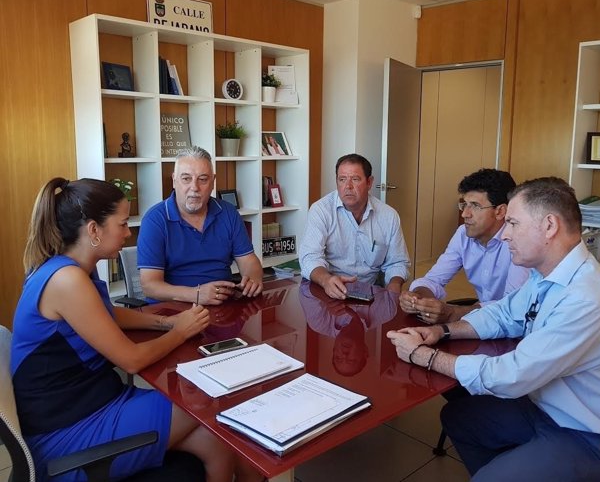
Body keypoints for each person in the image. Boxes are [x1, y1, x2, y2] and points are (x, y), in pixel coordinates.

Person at [387, 177, 600, 481]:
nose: (504, 235)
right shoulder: (546, 274)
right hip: (552, 407)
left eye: (513, 224)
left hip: (599, 438)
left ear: (549, 226)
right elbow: (505, 314)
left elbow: (512, 375)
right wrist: (444, 332)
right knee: (460, 418)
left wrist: (425, 356)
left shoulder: (586, 298)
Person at [11, 177, 263, 482]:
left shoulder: (69, 269)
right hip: (69, 432)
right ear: (93, 230)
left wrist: (167, 322)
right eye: (122, 224)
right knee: (214, 400)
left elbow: (108, 315)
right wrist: (179, 332)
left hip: (93, 403)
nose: (128, 233)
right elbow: (130, 360)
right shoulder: (68, 281)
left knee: (217, 443)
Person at [400, 169, 529, 324]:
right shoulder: (463, 234)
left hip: (521, 326)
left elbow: (512, 306)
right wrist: (418, 298)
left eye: (475, 206)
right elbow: (433, 279)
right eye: (464, 204)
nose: (465, 214)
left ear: (500, 211)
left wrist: (455, 312)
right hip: (484, 319)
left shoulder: (519, 241)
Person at [138, 146, 263, 304]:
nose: (194, 188)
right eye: (186, 179)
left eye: (203, 179)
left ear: (212, 182)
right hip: (171, 312)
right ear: (174, 181)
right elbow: (150, 286)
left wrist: (252, 280)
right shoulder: (155, 219)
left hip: (222, 306)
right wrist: (196, 294)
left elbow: (249, 261)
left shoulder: (228, 213)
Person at [299, 153, 410, 298]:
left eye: (355, 179)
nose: (348, 186)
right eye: (342, 179)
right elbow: (309, 257)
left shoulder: (388, 216)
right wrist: (326, 280)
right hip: (328, 288)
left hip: (371, 291)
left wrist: (394, 284)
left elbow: (398, 262)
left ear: (369, 182)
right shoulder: (321, 210)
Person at [299, 281, 397, 376]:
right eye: (351, 360)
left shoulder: (319, 323)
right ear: (365, 352)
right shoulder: (386, 312)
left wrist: (329, 299)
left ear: (334, 350)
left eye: (338, 358)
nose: (344, 354)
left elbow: (306, 286)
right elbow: (395, 277)